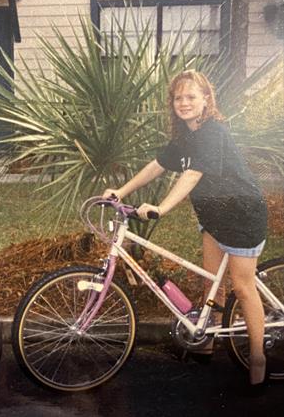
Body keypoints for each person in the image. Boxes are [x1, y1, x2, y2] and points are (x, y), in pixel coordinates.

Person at [102, 70, 268, 391]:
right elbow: (157, 165)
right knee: (210, 284)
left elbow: (192, 175)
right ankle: (205, 341)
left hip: (242, 215)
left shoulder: (212, 132)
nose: (184, 102)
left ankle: (259, 357)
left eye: (191, 96)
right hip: (214, 216)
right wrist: (121, 192)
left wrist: (161, 208)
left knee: (242, 287)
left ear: (206, 99)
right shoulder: (186, 137)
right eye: (178, 97)